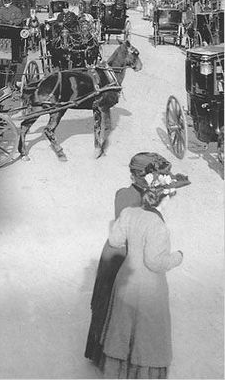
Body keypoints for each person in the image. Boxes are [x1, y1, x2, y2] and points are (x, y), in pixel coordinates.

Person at [98, 164, 191, 378]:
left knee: (122, 330)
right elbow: (155, 263)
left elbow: (115, 240)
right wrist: (178, 257)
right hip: (148, 288)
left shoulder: (129, 212)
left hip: (125, 280)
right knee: (146, 335)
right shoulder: (159, 226)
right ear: (165, 198)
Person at [85, 153, 173, 366]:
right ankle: (118, 358)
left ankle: (103, 355)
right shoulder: (140, 202)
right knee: (121, 309)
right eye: (158, 176)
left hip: (118, 253)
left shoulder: (126, 193)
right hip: (126, 257)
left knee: (114, 307)